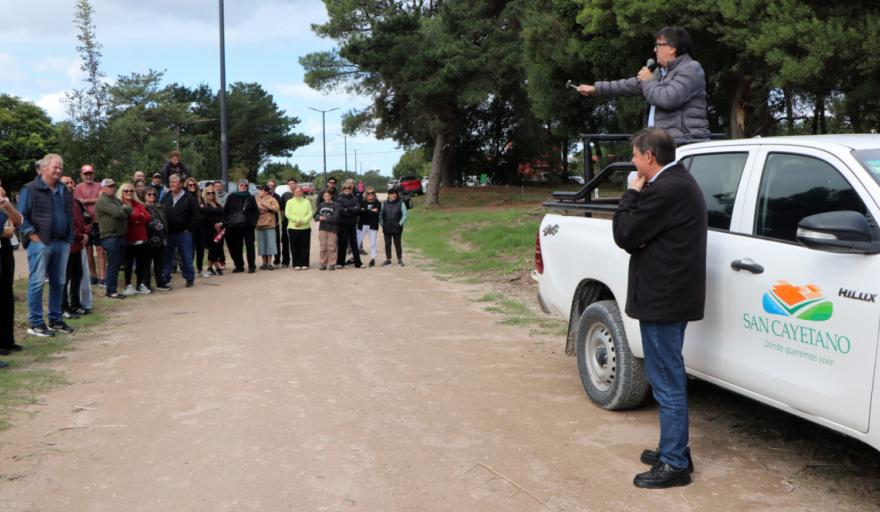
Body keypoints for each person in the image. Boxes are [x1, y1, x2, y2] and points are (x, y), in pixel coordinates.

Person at [611, 128, 706, 489]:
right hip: (669, 294)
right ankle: (674, 447)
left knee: (666, 380)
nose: (633, 163)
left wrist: (630, 193)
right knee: (665, 375)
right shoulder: (677, 183)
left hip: (665, 299)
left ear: (649, 156)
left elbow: (625, 233)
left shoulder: (665, 189)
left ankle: (674, 463)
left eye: (635, 156)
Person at [576, 26, 709, 144]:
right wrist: (596, 88)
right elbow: (629, 85)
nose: (654, 49)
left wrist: (649, 80)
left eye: (658, 45)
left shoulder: (691, 68)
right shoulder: (660, 72)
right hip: (663, 145)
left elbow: (667, 99)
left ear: (672, 48)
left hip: (684, 144)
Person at [19, 154, 76, 336]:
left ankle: (55, 319)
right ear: (44, 169)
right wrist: (34, 238)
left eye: (61, 167)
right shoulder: (30, 189)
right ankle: (36, 323)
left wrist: (69, 236)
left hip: (61, 242)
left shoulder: (63, 189)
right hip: (41, 243)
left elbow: (68, 214)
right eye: (55, 167)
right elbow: (21, 218)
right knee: (37, 283)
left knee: (59, 282)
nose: (59, 170)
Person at [160, 174, 200, 287]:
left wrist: (189, 229)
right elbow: (160, 210)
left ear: (181, 184)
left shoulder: (189, 197)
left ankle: (189, 279)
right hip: (169, 233)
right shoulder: (166, 196)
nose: (171, 184)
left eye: (174, 182)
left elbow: (196, 215)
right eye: (170, 182)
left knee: (186, 257)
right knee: (167, 257)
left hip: (184, 233)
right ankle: (165, 278)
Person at [0, 178, 23, 364]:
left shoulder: (4, 201)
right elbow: (5, 230)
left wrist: (7, 206)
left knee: (7, 293)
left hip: (5, 249)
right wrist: (4, 231)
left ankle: (8, 339)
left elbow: (17, 222)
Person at [95, 178, 130, 300]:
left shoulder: (115, 199)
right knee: (113, 265)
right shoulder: (102, 201)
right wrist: (123, 209)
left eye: (113, 186)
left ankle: (112, 289)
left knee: (117, 264)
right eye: (109, 186)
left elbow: (129, 210)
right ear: (103, 188)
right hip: (110, 236)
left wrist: (124, 209)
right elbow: (117, 213)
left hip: (119, 236)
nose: (112, 188)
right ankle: (111, 291)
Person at [60, 176, 90, 317]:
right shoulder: (59, 201)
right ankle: (63, 308)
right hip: (66, 246)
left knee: (78, 275)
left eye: (72, 182)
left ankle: (75, 304)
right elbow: (67, 225)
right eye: (67, 183)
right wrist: (80, 236)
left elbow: (85, 219)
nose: (71, 185)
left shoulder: (76, 201)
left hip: (78, 246)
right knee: (64, 278)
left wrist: (86, 234)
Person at [74, 164, 105, 287]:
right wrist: (94, 199)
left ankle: (103, 276)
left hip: (98, 222)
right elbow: (77, 202)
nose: (88, 176)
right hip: (85, 224)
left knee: (101, 250)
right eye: (86, 174)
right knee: (88, 251)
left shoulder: (99, 185)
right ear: (81, 175)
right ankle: (93, 275)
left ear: (93, 174)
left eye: (90, 173)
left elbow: (101, 199)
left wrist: (85, 200)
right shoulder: (78, 187)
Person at [119, 183, 151, 295]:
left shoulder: (138, 204)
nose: (129, 193)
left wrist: (136, 219)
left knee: (141, 262)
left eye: (131, 191)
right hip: (128, 237)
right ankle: (128, 285)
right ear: (122, 192)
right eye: (126, 191)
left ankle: (140, 284)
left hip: (141, 237)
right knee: (128, 263)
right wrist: (137, 218)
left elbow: (147, 217)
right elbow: (127, 219)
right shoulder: (120, 204)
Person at [223, 179, 258, 273]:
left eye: (245, 185)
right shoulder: (231, 196)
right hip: (235, 226)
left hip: (248, 226)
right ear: (238, 186)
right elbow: (226, 211)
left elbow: (256, 211)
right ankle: (239, 265)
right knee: (237, 246)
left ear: (247, 187)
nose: (243, 187)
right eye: (241, 185)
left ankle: (252, 266)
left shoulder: (250, 197)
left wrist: (253, 222)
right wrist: (227, 222)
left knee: (250, 246)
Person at [143, 186, 170, 291]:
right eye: (149, 194)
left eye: (154, 194)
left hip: (161, 238)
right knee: (147, 263)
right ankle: (146, 284)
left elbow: (164, 221)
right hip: (148, 239)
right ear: (144, 196)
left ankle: (160, 282)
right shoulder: (142, 207)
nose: (152, 196)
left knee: (159, 262)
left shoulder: (159, 206)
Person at [335, 179, 363, 269]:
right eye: (345, 188)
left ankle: (358, 263)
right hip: (342, 224)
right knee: (342, 244)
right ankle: (340, 263)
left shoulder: (354, 198)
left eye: (349, 188)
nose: (347, 189)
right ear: (342, 189)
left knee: (354, 244)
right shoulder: (339, 199)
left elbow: (358, 209)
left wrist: (348, 209)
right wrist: (351, 209)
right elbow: (341, 211)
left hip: (352, 224)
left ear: (351, 189)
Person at [284, 184, 313, 270]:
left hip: (305, 227)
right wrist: (297, 220)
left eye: (299, 191)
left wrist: (303, 221)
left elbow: (310, 213)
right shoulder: (289, 202)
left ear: (302, 192)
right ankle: (296, 263)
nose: (298, 193)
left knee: (305, 246)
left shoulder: (307, 202)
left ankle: (305, 263)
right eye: (296, 192)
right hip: (293, 227)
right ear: (294, 193)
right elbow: (287, 214)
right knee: (294, 246)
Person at [185, 178, 208, 277]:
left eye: (193, 185)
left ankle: (200, 269)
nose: (192, 186)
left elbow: (204, 211)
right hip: (190, 227)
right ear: (186, 186)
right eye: (190, 185)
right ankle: (190, 270)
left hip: (201, 226)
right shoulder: (185, 197)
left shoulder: (200, 197)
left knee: (201, 249)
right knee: (190, 250)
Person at [380, 186, 408, 267]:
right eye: (390, 194)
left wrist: (400, 223)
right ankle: (388, 260)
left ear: (396, 194)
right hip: (387, 227)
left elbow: (405, 215)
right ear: (388, 195)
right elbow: (380, 215)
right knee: (387, 244)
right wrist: (382, 224)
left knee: (397, 243)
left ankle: (399, 259)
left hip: (397, 227)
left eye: (394, 193)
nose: (392, 195)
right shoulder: (384, 204)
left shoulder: (401, 203)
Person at [201, 187, 225, 275]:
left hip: (220, 230)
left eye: (212, 193)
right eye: (208, 193)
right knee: (213, 248)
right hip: (209, 230)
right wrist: (214, 224)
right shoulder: (204, 205)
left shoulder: (218, 204)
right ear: (205, 194)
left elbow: (223, 216)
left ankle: (210, 267)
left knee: (217, 249)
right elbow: (205, 217)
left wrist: (221, 224)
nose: (211, 194)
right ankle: (217, 267)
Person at [314, 190, 340, 271]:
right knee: (323, 247)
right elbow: (315, 216)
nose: (327, 197)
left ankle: (332, 264)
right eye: (325, 196)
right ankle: (323, 263)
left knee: (332, 247)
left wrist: (325, 218)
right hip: (322, 229)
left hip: (333, 229)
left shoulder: (336, 205)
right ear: (323, 197)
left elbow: (336, 217)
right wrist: (319, 217)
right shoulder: (321, 205)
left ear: (331, 196)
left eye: (328, 196)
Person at [255, 185, 279, 270]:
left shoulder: (271, 199)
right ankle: (264, 263)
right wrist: (261, 208)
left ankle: (269, 263)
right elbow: (253, 209)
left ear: (266, 192)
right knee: (261, 245)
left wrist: (265, 204)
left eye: (261, 191)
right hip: (259, 225)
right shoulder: (256, 199)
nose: (259, 192)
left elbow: (276, 208)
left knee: (270, 244)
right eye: (259, 191)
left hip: (269, 225)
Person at [357, 187, 381, 267]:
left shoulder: (377, 202)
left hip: (373, 225)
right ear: (366, 194)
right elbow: (360, 212)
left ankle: (373, 258)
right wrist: (371, 211)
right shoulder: (362, 202)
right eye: (368, 193)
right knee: (357, 241)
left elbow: (376, 212)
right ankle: (355, 257)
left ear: (374, 194)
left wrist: (365, 210)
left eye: (372, 193)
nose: (370, 195)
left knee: (373, 242)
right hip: (362, 224)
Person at [279, 177, 297, 267]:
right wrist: (283, 220)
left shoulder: (299, 194)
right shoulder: (285, 195)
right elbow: (281, 209)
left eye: (293, 183)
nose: (291, 185)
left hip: (297, 222)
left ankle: (297, 261)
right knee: (285, 241)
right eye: (289, 183)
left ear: (296, 184)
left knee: (296, 241)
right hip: (286, 222)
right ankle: (285, 261)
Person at [267, 179, 283, 266]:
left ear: (275, 187)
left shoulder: (277, 196)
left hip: (275, 222)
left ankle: (277, 260)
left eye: (273, 186)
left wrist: (280, 220)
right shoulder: (262, 196)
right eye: (269, 185)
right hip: (265, 223)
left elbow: (280, 210)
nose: (271, 187)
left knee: (276, 242)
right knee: (266, 241)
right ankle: (266, 262)